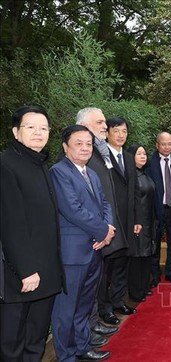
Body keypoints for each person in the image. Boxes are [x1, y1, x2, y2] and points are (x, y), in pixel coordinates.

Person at [0, 105, 65, 360]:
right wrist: (26, 270)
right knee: (12, 344)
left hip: (46, 273)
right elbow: (10, 222)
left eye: (43, 128)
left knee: (35, 339)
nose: (38, 133)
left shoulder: (40, 164)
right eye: (31, 127)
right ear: (16, 132)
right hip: (21, 277)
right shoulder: (6, 164)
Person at [50, 125, 115, 362]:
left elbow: (105, 205)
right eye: (79, 143)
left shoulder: (91, 173)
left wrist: (107, 230)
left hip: (95, 250)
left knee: (84, 306)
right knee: (66, 310)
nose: (85, 148)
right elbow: (73, 210)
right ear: (65, 147)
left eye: (89, 143)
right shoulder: (59, 172)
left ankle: (82, 347)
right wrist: (103, 231)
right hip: (73, 255)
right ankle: (66, 356)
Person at [76, 108, 121, 338]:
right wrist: (101, 229)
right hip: (86, 238)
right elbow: (79, 204)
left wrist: (108, 227)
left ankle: (93, 325)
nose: (105, 126)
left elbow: (104, 197)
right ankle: (87, 332)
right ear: (84, 125)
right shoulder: (80, 158)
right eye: (100, 122)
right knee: (85, 291)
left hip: (101, 233)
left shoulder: (99, 153)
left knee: (95, 286)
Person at [96, 116, 141, 323]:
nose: (121, 135)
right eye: (116, 131)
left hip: (128, 220)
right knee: (107, 268)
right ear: (107, 134)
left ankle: (118, 301)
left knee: (123, 263)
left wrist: (137, 219)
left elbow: (135, 191)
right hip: (110, 221)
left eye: (124, 131)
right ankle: (104, 309)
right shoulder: (100, 158)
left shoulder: (129, 157)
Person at [145, 132, 171, 286]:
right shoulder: (149, 162)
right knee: (155, 243)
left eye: (170, 144)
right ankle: (154, 275)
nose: (167, 147)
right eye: (163, 144)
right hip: (156, 209)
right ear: (157, 144)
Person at [127, 144, 156, 301]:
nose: (143, 156)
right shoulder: (130, 177)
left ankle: (144, 287)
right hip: (137, 222)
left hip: (148, 221)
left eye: (144, 153)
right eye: (139, 154)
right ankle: (135, 292)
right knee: (136, 257)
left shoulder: (145, 174)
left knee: (146, 255)